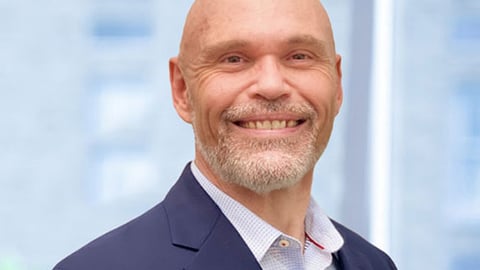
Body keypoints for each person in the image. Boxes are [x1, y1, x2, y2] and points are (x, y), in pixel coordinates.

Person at [53, 0, 397, 269]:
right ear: (182, 90)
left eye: (299, 56)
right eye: (234, 59)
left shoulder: (374, 264)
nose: (271, 85)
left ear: (337, 84)